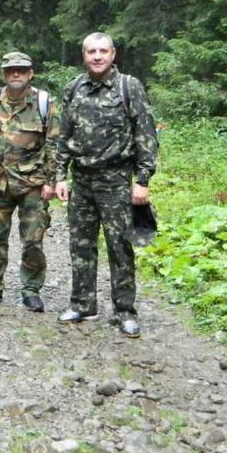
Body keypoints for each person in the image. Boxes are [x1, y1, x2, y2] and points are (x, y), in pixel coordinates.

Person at [55, 32, 158, 338]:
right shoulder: (74, 88)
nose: (97, 56)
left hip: (116, 181)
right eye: (91, 51)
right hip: (82, 181)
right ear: (84, 55)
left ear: (113, 54)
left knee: (120, 247)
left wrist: (142, 180)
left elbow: (145, 134)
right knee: (80, 245)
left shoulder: (129, 86)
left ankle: (124, 311)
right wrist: (59, 175)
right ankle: (83, 304)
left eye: (103, 51)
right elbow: (64, 135)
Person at [0, 52, 58, 312]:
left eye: (22, 69)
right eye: (10, 70)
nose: (16, 73)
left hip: (32, 184)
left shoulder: (44, 103)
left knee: (33, 240)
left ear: (30, 73)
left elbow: (54, 144)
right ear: (4, 74)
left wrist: (52, 181)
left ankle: (31, 290)